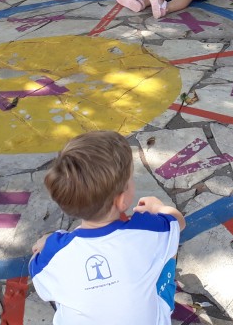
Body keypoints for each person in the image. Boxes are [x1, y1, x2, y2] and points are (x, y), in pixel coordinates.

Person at [30, 131, 185, 325]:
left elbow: (38, 277)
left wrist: (47, 241)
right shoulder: (147, 229)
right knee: (168, 249)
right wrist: (159, 208)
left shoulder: (54, 251)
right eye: (131, 178)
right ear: (121, 201)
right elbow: (177, 223)